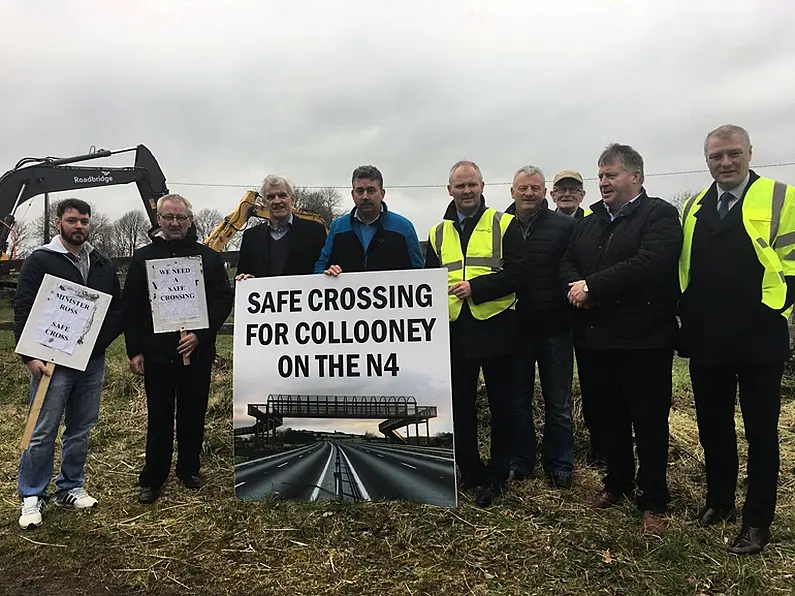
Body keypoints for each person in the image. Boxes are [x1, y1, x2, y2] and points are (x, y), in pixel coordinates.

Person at [678, 124, 795, 555]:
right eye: (715, 157)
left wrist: (773, 312)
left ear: (750, 152)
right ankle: (719, 501)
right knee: (713, 426)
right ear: (706, 159)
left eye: (732, 154)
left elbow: (793, 264)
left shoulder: (781, 197)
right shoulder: (693, 205)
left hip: (759, 336)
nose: (725, 163)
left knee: (761, 432)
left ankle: (757, 520)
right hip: (708, 337)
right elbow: (686, 269)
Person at [559, 143, 682, 535]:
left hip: (644, 342)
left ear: (636, 177)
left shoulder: (659, 215)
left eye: (611, 175)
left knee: (648, 422)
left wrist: (593, 287)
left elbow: (650, 263)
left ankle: (653, 501)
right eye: (600, 176)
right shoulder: (590, 222)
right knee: (607, 419)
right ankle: (617, 483)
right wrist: (576, 287)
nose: (603, 182)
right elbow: (567, 261)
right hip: (596, 340)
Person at [13, 198, 123, 529]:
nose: (79, 226)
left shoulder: (101, 262)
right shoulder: (41, 260)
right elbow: (23, 306)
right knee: (43, 429)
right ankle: (32, 495)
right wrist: (29, 355)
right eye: (72, 220)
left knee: (81, 426)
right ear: (59, 222)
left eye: (84, 221)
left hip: (91, 361)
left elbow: (116, 310)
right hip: (51, 361)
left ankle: (71, 486)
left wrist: (95, 346)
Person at [425, 160, 528, 507]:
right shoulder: (438, 232)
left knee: (502, 405)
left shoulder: (504, 223)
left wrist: (478, 288)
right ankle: (468, 468)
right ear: (449, 190)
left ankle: (498, 474)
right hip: (454, 332)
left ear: (482, 187)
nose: (466, 191)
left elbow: (518, 274)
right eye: (460, 186)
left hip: (497, 327)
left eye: (472, 185)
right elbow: (428, 284)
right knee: (460, 406)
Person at [123, 194, 234, 504]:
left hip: (195, 353)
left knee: (193, 412)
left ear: (190, 220)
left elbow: (223, 299)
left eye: (180, 218)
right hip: (156, 352)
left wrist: (200, 334)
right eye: (168, 217)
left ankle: (189, 469)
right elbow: (130, 306)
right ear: (159, 220)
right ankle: (153, 477)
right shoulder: (143, 258)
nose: (174, 223)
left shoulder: (208, 258)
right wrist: (135, 350)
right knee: (159, 416)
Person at [504, 166, 576, 489]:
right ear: (512, 191)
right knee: (517, 399)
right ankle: (521, 460)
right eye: (523, 188)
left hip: (555, 327)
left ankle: (559, 463)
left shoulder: (564, 226)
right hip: (516, 329)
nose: (529, 193)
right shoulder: (499, 226)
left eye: (535, 188)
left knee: (558, 402)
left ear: (545, 192)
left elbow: (571, 268)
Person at [314, 165, 424, 275]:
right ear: (353, 194)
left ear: (382, 194)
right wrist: (326, 273)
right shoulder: (338, 227)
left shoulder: (404, 228)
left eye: (371, 191)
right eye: (360, 191)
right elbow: (319, 268)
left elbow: (420, 273)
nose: (365, 197)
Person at [235, 174, 327, 281]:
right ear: (264, 203)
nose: (277, 201)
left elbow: (323, 270)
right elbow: (241, 274)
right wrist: (244, 279)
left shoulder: (315, 232)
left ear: (292, 199)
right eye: (271, 197)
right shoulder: (251, 237)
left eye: (282, 195)